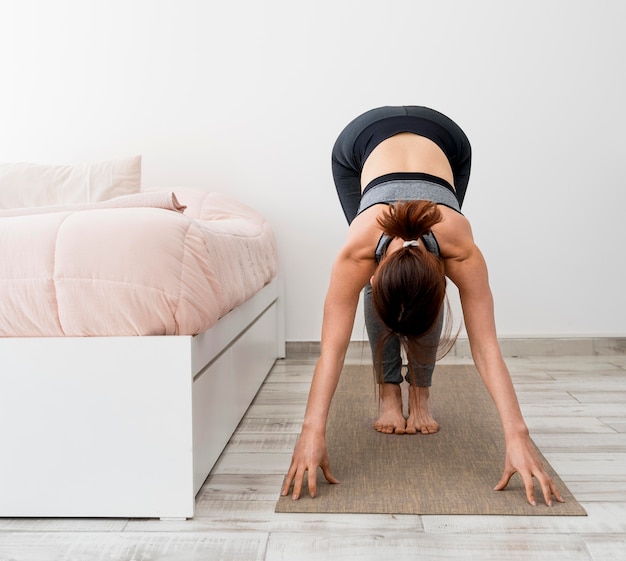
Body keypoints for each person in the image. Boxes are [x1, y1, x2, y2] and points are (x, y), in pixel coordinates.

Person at [281, 105, 564, 507]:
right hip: (358, 143)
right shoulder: (356, 255)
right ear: (372, 274)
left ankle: (421, 394)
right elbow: (333, 350)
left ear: (446, 273)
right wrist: (311, 431)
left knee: (417, 294)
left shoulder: (461, 250)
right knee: (398, 295)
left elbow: (487, 349)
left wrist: (518, 435)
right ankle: (389, 393)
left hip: (447, 140)